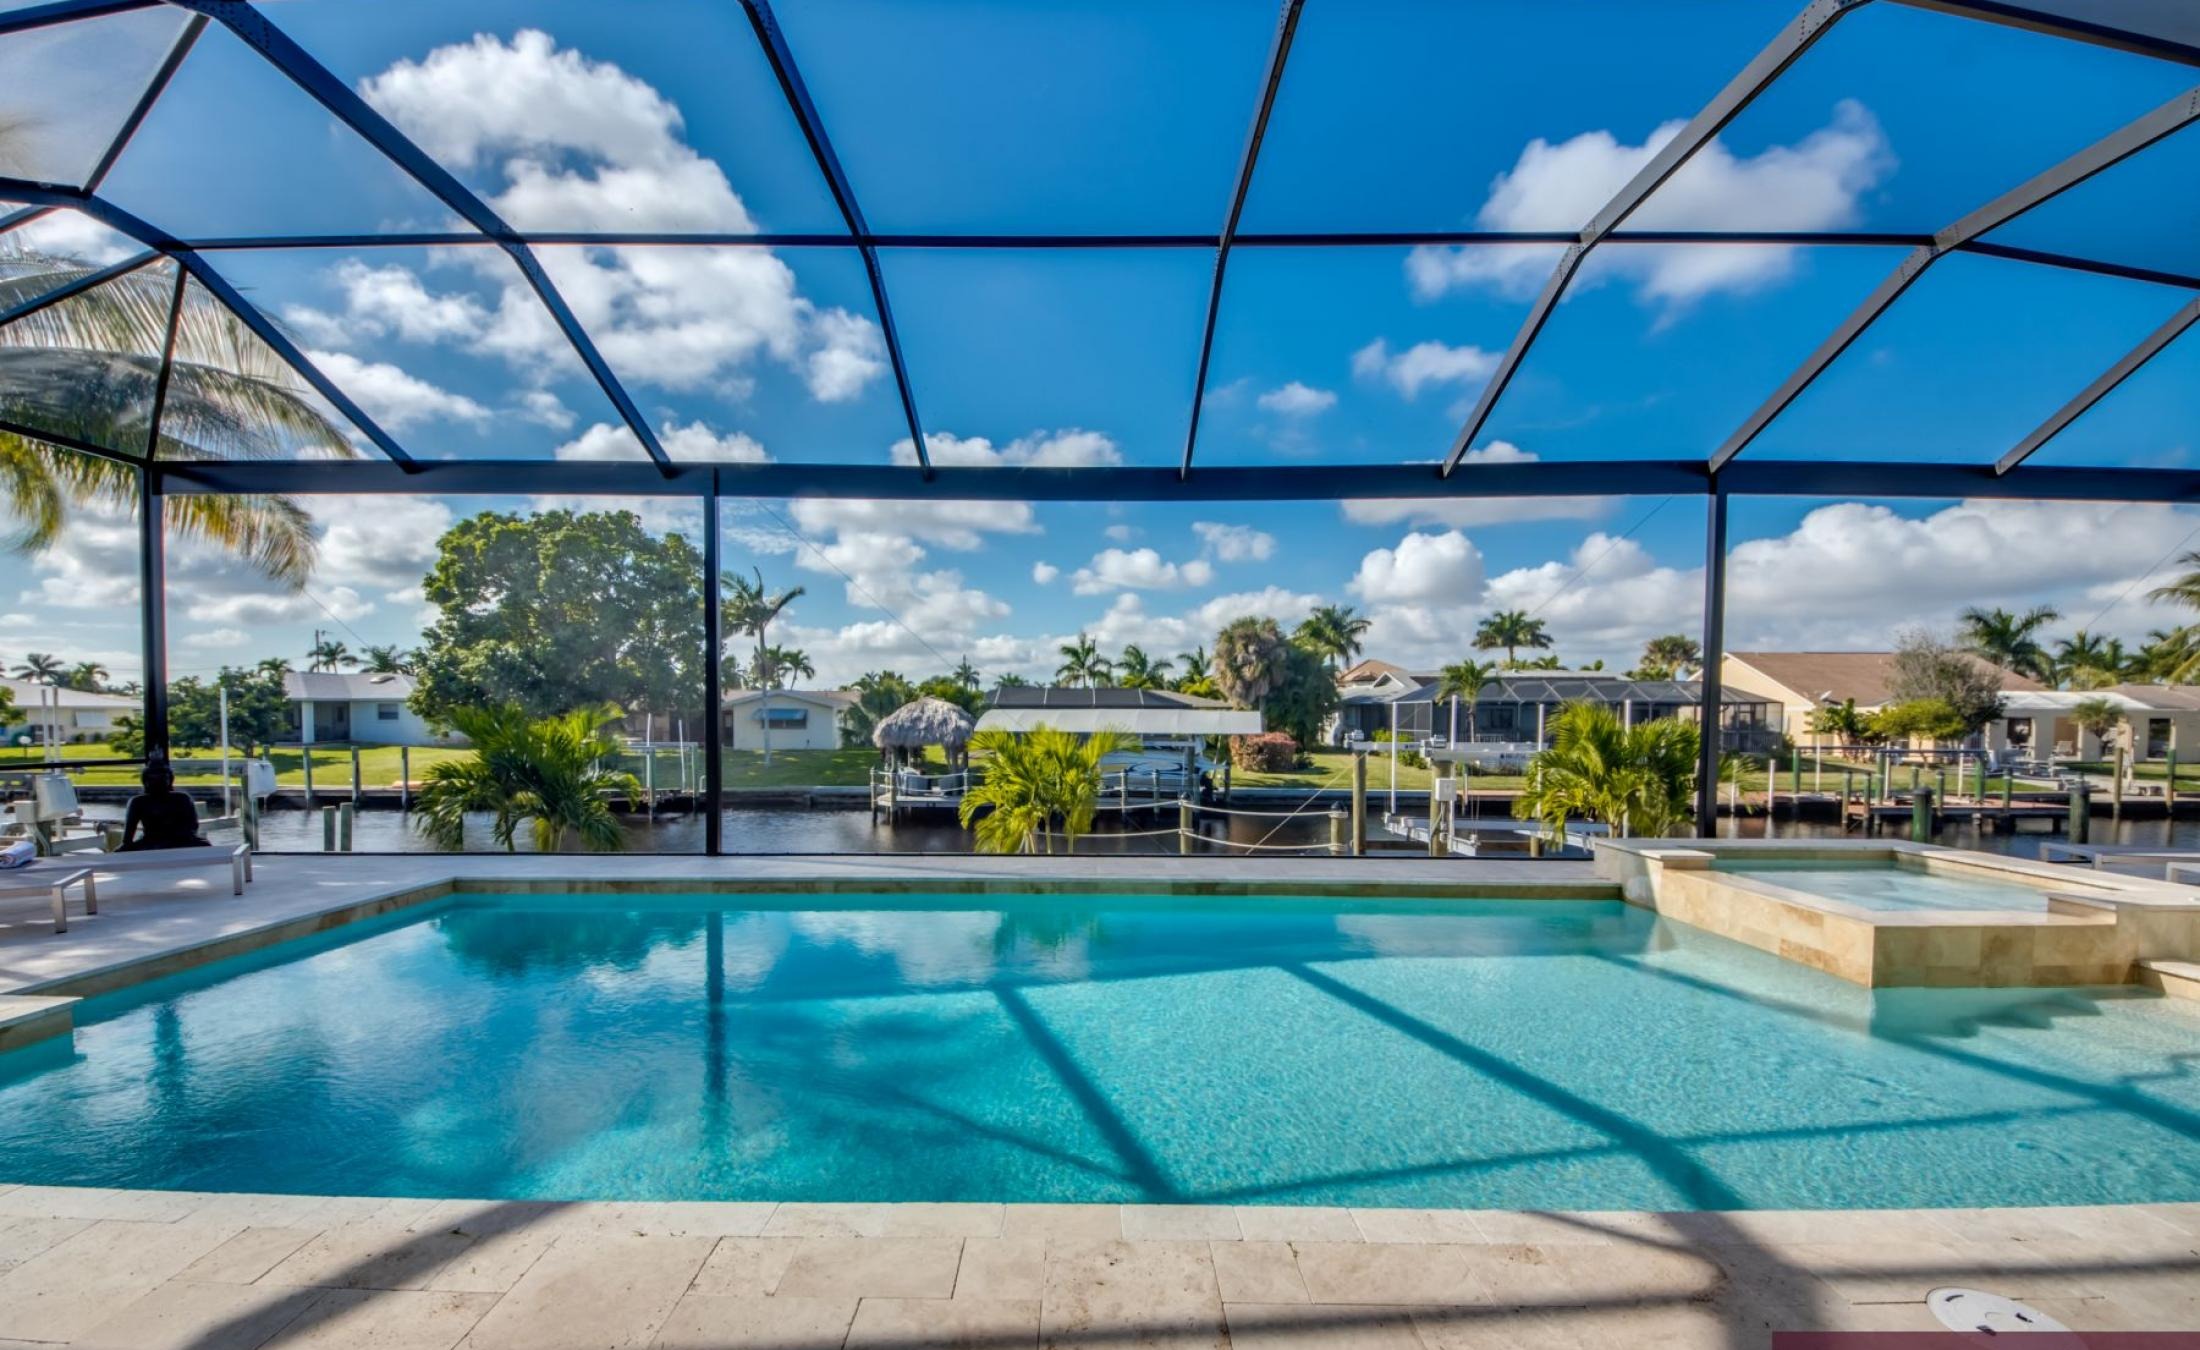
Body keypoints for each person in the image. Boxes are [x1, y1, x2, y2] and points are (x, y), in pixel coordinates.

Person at [118, 758, 209, 852]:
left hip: (180, 840)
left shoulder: (182, 798)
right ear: (145, 782)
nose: (157, 782)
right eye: (152, 779)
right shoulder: (138, 802)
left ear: (170, 780)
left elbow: (192, 827)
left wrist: (175, 839)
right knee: (121, 852)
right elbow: (128, 837)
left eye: (162, 778)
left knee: (205, 845)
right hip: (150, 841)